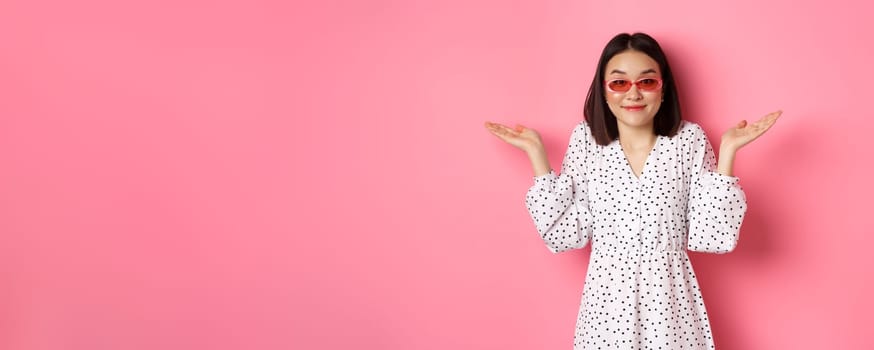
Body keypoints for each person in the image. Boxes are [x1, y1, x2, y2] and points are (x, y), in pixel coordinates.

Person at [483, 32, 779, 349]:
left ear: (663, 89)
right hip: (605, 311)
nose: (633, 93)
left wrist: (729, 152)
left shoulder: (688, 141)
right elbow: (564, 236)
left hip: (671, 309)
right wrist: (536, 155)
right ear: (604, 91)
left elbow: (712, 236)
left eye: (647, 82)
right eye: (620, 83)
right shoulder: (586, 142)